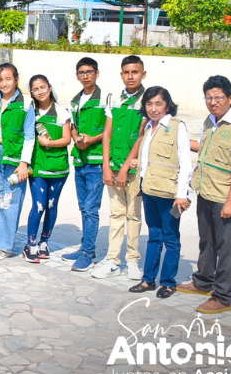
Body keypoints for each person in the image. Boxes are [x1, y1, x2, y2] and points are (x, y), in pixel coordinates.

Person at [178, 75, 231, 315]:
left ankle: (222, 296)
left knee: (227, 246)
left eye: (218, 98)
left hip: (225, 196)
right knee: (207, 240)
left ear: (230, 98)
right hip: (207, 191)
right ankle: (203, 281)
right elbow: (205, 148)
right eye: (209, 98)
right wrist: (180, 140)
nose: (213, 102)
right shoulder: (211, 121)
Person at [125, 86, 191, 298]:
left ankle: (168, 283)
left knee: (171, 238)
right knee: (154, 236)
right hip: (150, 190)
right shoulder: (148, 128)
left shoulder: (177, 126)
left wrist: (182, 194)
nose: (153, 108)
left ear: (167, 105)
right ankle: (148, 280)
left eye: (158, 104)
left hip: (170, 194)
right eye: (149, 104)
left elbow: (185, 162)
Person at [92, 55, 148, 280]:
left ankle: (133, 260)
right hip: (113, 167)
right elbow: (107, 133)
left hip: (133, 169)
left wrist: (126, 168)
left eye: (135, 72)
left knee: (133, 215)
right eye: (127, 72)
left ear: (143, 74)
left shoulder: (148, 99)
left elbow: (142, 135)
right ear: (121, 74)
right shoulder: (114, 98)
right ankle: (112, 260)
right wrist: (106, 166)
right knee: (116, 214)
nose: (131, 76)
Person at [0, 62, 35, 261]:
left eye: (8, 79)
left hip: (14, 157)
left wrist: (24, 163)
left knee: (10, 200)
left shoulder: (26, 104)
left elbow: (30, 136)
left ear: (16, 80)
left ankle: (5, 246)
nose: (4, 83)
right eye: (0, 79)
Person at [23, 74, 72, 263]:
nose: (40, 92)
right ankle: (31, 243)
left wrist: (49, 143)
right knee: (38, 205)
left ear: (49, 88)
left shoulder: (62, 112)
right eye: (35, 89)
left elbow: (67, 139)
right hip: (37, 168)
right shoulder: (30, 112)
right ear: (32, 93)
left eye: (43, 87)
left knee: (51, 206)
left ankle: (44, 241)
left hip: (58, 168)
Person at [64, 57, 106, 272]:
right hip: (80, 160)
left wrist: (92, 139)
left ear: (97, 74)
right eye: (81, 72)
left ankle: (89, 253)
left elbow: (108, 129)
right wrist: (75, 137)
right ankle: (83, 247)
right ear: (77, 75)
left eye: (89, 71)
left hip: (96, 161)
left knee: (91, 208)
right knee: (83, 207)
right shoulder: (75, 100)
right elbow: (71, 126)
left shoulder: (105, 99)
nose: (85, 75)